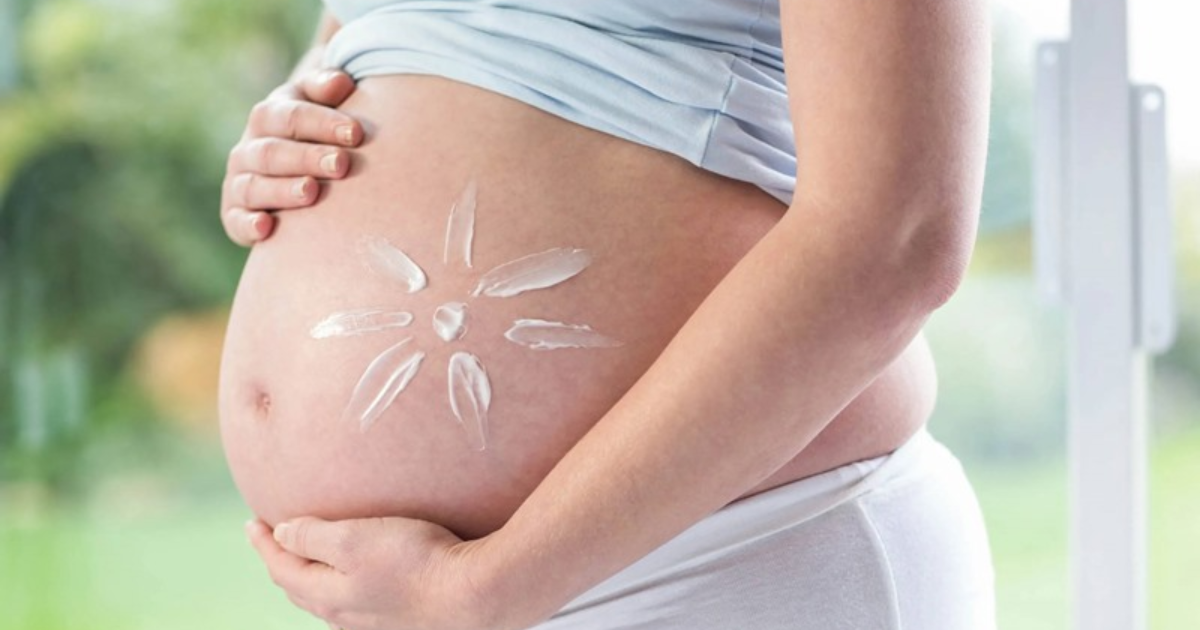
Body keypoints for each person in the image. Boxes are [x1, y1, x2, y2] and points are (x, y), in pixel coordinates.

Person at [219, 1, 995, 629]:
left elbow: (897, 237)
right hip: (444, 598)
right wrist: (286, 116)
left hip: (719, 550)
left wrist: (488, 587)